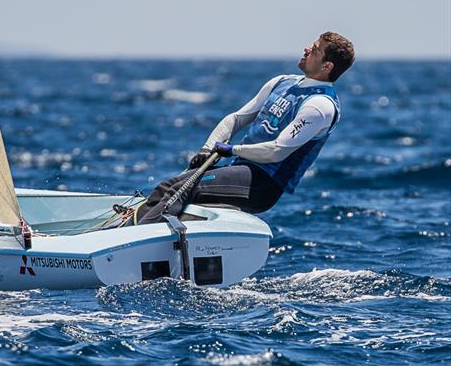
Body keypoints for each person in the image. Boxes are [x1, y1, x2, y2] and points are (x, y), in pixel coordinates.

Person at [132, 31, 355, 225]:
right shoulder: (282, 83)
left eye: (315, 50)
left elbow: (277, 150)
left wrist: (231, 150)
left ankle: (136, 243)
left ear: (327, 66)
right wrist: (207, 148)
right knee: (166, 187)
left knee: (179, 190)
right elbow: (236, 119)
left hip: (263, 185)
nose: (307, 49)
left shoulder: (320, 106)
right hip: (240, 170)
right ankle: (121, 231)